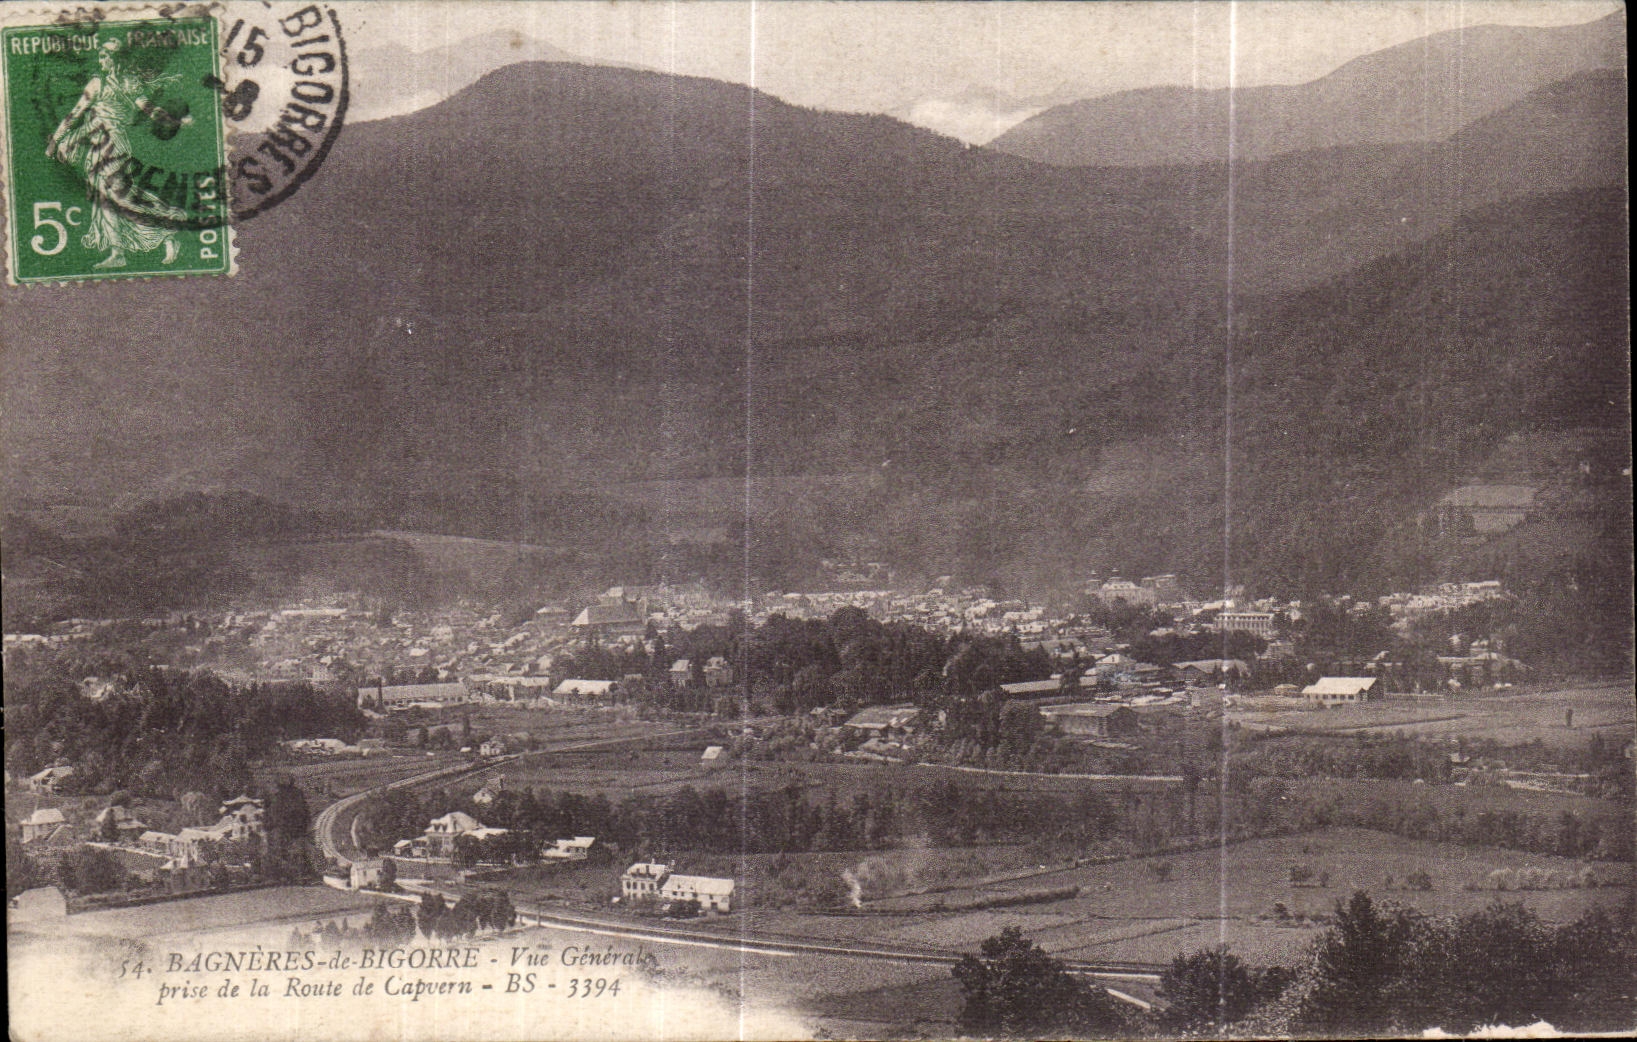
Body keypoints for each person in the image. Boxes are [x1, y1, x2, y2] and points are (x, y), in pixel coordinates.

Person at [45, 38, 190, 268]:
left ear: (117, 60)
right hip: (96, 146)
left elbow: (149, 108)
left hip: (115, 145)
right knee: (108, 200)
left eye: (106, 57)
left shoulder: (128, 83)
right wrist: (56, 139)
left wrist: (174, 120)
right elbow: (76, 114)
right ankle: (119, 252)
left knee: (121, 197)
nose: (101, 61)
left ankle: (168, 224)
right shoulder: (96, 83)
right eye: (101, 56)